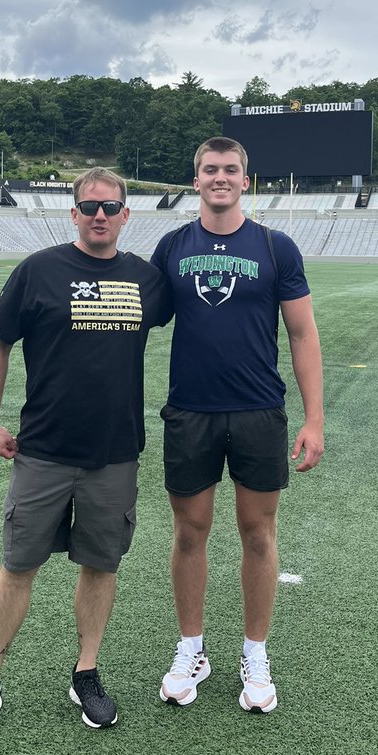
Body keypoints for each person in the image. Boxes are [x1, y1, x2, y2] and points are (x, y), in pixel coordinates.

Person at [0, 167, 170, 740]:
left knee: (100, 565)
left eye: (111, 207)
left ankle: (86, 673)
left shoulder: (147, 279)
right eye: (89, 206)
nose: (100, 215)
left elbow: (198, 314)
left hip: (115, 453)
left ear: (126, 215)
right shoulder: (38, 271)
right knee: (19, 565)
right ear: (73, 213)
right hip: (43, 450)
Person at [150, 136, 324, 714]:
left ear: (245, 180)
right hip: (191, 410)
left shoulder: (275, 248)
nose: (219, 178)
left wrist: (314, 418)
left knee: (258, 532)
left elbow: (302, 334)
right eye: (209, 170)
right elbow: (140, 318)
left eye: (230, 170)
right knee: (189, 531)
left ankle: (255, 651)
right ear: (195, 180)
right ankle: (192, 648)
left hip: (257, 411)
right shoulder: (173, 245)